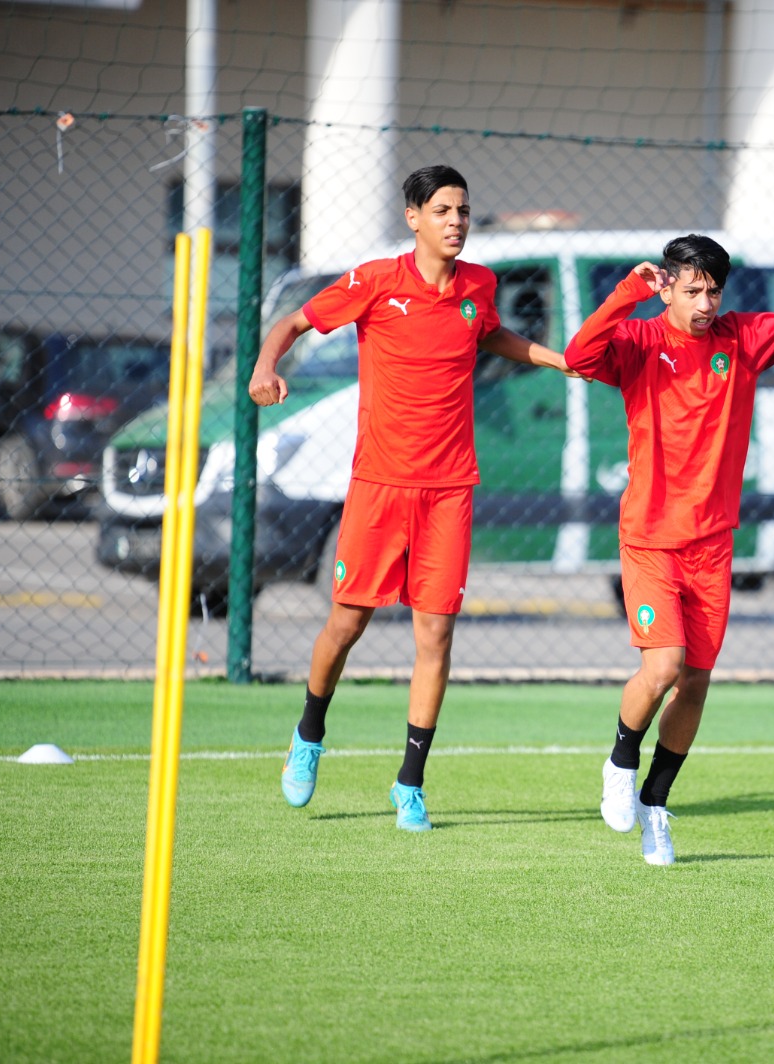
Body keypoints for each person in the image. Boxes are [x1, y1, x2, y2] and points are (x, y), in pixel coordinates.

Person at [249, 164, 570, 831]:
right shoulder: (375, 281)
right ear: (414, 218)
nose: (456, 222)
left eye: (464, 211)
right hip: (379, 487)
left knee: (436, 634)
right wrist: (264, 367)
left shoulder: (479, 286)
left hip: (450, 490)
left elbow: (491, 334)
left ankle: (410, 783)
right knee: (347, 625)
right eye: (443, 210)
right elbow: (293, 323)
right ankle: (309, 734)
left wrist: (555, 359)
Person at [565, 234, 774, 865]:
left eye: (713, 291)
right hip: (650, 538)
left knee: (695, 680)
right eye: (692, 290)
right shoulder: (640, 341)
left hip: (713, 545)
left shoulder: (742, 338)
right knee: (662, 666)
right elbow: (580, 355)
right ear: (667, 288)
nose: (704, 303)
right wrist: (627, 293)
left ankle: (655, 806)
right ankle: (620, 762)